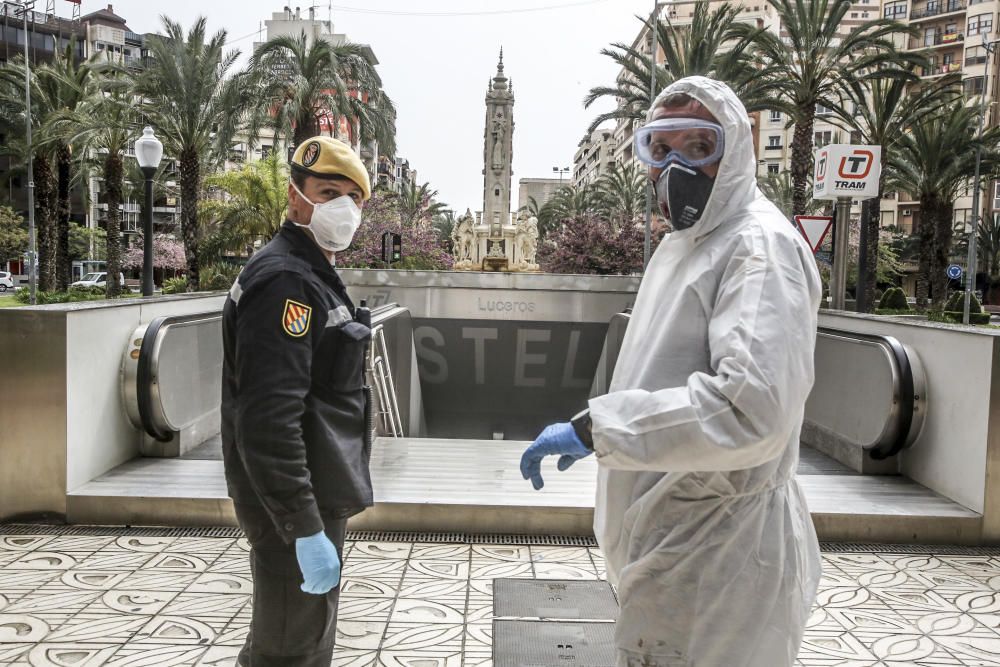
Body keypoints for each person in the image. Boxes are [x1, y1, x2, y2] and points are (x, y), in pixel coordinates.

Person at [520, 76, 822, 666]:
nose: (676, 165)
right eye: (661, 149)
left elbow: (751, 411)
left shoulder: (758, 248)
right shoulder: (685, 244)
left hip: (722, 559)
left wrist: (596, 430)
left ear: (734, 150)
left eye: (698, 147)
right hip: (681, 544)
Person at [221, 135, 373, 666]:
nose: (342, 208)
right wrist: (303, 525)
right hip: (293, 503)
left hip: (309, 494)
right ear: (295, 198)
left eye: (353, 198)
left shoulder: (310, 272)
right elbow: (268, 419)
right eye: (328, 191)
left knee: (295, 637)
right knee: (289, 649)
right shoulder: (285, 280)